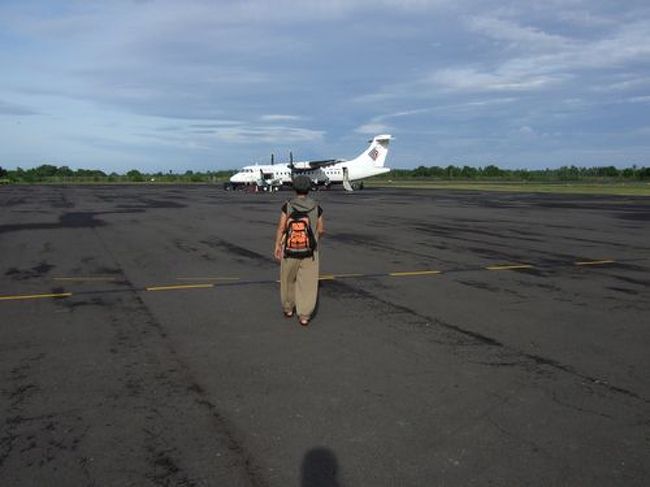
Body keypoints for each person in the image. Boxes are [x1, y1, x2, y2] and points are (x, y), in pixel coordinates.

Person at [273, 176, 324, 326]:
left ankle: (288, 308)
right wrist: (312, 239)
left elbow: (281, 228)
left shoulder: (287, 206)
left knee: (288, 280)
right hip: (310, 252)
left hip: (290, 250)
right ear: (309, 189)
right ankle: (304, 315)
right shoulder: (316, 207)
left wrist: (277, 245)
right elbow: (321, 229)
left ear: (294, 189)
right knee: (308, 283)